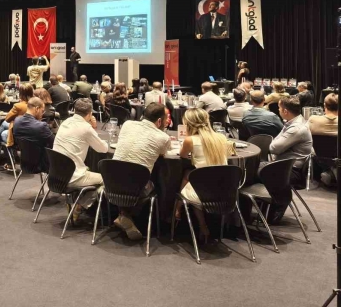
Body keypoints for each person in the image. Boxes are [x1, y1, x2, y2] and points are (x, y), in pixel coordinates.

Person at [112, 102, 171, 240]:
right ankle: (131, 217)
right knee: (154, 185)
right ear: (159, 121)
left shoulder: (127, 124)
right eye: (166, 119)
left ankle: (124, 215)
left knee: (131, 176)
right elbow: (162, 154)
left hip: (111, 182)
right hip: (137, 190)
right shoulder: (163, 138)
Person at [177, 108, 231, 242]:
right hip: (225, 191)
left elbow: (182, 155)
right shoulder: (221, 138)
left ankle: (180, 211)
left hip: (202, 194)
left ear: (188, 123)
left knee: (189, 177)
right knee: (192, 176)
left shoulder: (190, 140)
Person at [53, 98, 108, 222]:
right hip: (73, 177)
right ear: (89, 113)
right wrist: (93, 128)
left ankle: (74, 201)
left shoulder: (65, 122)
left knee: (86, 168)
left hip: (56, 174)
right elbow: (103, 149)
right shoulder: (86, 128)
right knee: (106, 179)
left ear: (74, 110)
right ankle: (79, 206)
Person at [271, 96, 312, 188]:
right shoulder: (296, 120)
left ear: (285, 111)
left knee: (252, 171)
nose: (278, 110)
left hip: (290, 171)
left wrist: (275, 141)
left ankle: (275, 197)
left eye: (279, 108)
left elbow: (273, 148)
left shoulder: (296, 128)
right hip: (286, 165)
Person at [12, 97, 54, 169]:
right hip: (42, 164)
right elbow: (54, 143)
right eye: (42, 111)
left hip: (24, 163)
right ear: (37, 109)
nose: (42, 114)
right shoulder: (41, 126)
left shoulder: (16, 121)